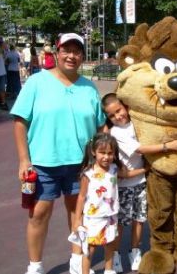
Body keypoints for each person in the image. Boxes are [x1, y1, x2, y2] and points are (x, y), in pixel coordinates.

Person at [10, 33, 107, 274]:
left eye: (77, 51)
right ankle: (35, 265)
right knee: (39, 214)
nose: (71, 56)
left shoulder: (89, 87)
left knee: (78, 212)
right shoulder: (36, 82)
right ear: (57, 52)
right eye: (67, 50)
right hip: (44, 162)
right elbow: (20, 122)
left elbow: (101, 126)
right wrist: (24, 159)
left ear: (82, 56)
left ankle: (77, 259)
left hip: (81, 164)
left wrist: (103, 156)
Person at [101, 93, 177, 273]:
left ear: (125, 107)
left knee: (139, 220)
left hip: (140, 184)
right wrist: (168, 147)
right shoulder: (116, 132)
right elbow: (140, 149)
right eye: (112, 115)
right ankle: (115, 254)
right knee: (120, 223)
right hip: (124, 186)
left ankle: (135, 252)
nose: (117, 116)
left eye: (119, 110)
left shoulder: (136, 123)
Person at [70, 133, 147, 274]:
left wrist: (144, 170)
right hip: (93, 218)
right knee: (90, 247)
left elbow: (127, 174)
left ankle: (109, 270)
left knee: (110, 244)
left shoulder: (114, 169)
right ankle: (84, 272)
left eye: (110, 153)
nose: (106, 157)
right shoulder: (88, 173)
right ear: (94, 152)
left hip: (111, 216)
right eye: (102, 153)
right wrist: (77, 220)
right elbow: (81, 197)